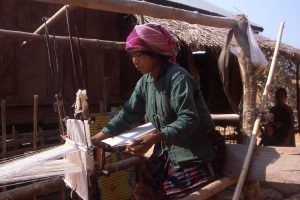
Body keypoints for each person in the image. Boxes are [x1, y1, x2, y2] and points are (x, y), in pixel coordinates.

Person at [92, 23, 219, 199]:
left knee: (163, 194)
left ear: (156, 53)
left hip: (198, 154)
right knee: (141, 190)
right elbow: (127, 114)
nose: (134, 60)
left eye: (139, 54)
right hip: (169, 152)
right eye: (132, 55)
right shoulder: (145, 83)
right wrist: (97, 138)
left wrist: (155, 137)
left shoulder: (178, 78)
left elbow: (189, 119)